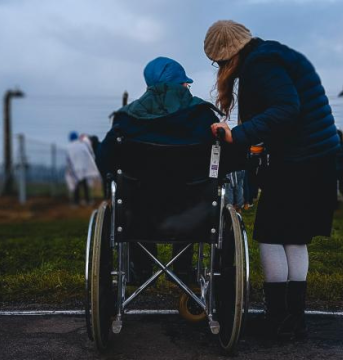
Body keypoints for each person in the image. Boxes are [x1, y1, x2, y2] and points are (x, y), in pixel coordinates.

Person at [204, 20, 339, 338]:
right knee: (293, 236)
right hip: (315, 157)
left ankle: (278, 318)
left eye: (219, 62)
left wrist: (237, 135)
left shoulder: (260, 64)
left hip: (299, 159)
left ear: (229, 55)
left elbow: (286, 107)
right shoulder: (272, 55)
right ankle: (294, 319)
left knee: (270, 234)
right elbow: (289, 110)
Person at [96, 57, 242, 285]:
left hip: (138, 213)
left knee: (134, 198)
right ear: (182, 85)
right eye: (186, 83)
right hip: (193, 213)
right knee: (190, 194)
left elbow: (104, 159)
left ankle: (142, 269)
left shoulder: (127, 119)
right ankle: (182, 270)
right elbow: (228, 159)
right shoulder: (203, 116)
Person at [65, 131, 101, 206]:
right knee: (85, 185)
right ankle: (88, 201)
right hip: (84, 168)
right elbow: (88, 154)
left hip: (75, 169)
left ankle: (75, 202)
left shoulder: (69, 147)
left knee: (76, 186)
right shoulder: (82, 145)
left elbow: (68, 159)